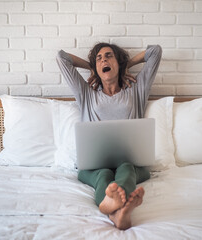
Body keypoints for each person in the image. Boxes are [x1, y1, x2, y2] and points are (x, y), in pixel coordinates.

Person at [56, 43, 162, 230]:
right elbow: (61, 57)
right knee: (104, 174)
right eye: (99, 58)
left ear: (118, 63)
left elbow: (155, 52)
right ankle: (119, 213)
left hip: (133, 164)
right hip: (94, 167)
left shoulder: (136, 90)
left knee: (126, 168)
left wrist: (127, 64)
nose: (103, 59)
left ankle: (112, 209)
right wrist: (92, 67)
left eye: (108, 56)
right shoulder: (87, 94)